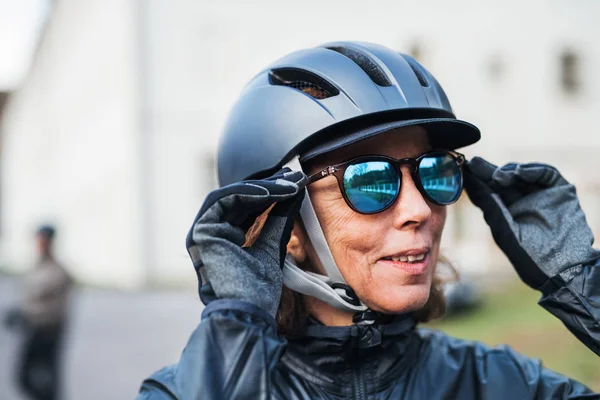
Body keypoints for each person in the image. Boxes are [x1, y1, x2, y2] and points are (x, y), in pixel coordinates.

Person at [137, 42, 599, 399]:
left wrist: (584, 284)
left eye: (434, 172)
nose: (420, 210)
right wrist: (235, 335)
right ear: (285, 228)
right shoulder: (184, 390)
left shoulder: (499, 384)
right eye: (371, 180)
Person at [4, 225, 73, 400]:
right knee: (26, 378)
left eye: (44, 241)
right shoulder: (36, 268)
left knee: (45, 379)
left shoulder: (57, 272)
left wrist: (28, 315)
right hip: (33, 330)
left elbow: (54, 308)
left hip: (47, 332)